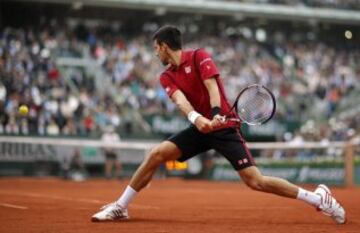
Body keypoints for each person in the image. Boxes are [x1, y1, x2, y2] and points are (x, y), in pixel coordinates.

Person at [91, 25, 346, 224]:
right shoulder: (166, 75)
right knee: (157, 154)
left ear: (165, 46)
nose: (155, 53)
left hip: (224, 127)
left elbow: (212, 87)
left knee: (255, 181)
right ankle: (121, 207)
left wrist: (214, 114)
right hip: (200, 128)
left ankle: (317, 198)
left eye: (156, 48)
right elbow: (180, 101)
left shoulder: (200, 56)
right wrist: (197, 119)